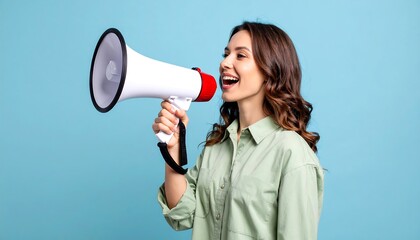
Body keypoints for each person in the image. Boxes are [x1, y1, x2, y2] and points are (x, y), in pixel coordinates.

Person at [152, 21, 324, 240]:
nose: (225, 63)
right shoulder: (217, 145)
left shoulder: (292, 153)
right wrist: (173, 149)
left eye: (240, 56)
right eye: (226, 54)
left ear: (270, 70)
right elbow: (182, 214)